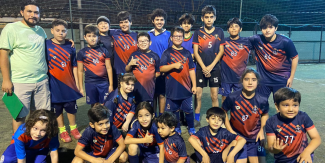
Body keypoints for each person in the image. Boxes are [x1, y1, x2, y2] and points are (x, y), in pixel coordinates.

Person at [0, 0, 50, 133]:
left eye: (36, 12)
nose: (33, 15)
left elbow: (50, 46)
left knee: (40, 115)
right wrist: (6, 80)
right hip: (20, 81)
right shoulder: (11, 28)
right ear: (22, 12)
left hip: (42, 81)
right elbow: (4, 54)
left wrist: (67, 42)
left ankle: (35, 143)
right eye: (29, 11)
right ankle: (17, 146)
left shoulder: (40, 31)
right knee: (19, 116)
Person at [46, 19, 83, 143]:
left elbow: (74, 66)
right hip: (54, 84)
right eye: (57, 30)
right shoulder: (46, 44)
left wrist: (77, 83)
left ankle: (73, 128)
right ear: (52, 31)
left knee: (71, 107)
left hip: (69, 84)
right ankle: (62, 130)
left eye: (63, 31)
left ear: (67, 32)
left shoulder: (70, 46)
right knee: (58, 108)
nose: (60, 33)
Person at [223, 68, 269, 163]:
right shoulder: (233, 97)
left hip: (254, 137)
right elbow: (223, 112)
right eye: (246, 79)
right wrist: (230, 131)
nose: (250, 82)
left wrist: (261, 131)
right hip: (238, 136)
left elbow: (265, 114)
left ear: (257, 82)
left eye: (253, 80)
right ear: (242, 81)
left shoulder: (262, 100)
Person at [249, 14, 299, 99]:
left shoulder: (285, 41)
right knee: (260, 105)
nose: (267, 30)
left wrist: (291, 77)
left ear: (276, 28)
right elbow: (240, 43)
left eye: (270, 27)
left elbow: (295, 57)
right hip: (263, 79)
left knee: (281, 106)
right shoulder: (256, 40)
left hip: (281, 79)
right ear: (261, 29)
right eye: (264, 28)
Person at [265, 87, 321, 163]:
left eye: (295, 105)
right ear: (277, 106)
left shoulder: (303, 117)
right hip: (283, 159)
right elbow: (270, 146)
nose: (291, 109)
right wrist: (275, 149)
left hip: (302, 155)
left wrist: (307, 152)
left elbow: (316, 139)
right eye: (286, 105)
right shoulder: (271, 122)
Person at [160, 27, 196, 135]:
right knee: (174, 111)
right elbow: (161, 68)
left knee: (189, 110)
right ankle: (177, 128)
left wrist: (194, 85)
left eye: (180, 36)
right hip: (172, 89)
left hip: (186, 88)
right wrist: (174, 65)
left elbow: (191, 70)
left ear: (183, 38)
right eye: (175, 36)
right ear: (171, 38)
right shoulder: (167, 53)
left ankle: (191, 128)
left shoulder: (187, 53)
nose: (178, 38)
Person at [193, 5, 225, 126]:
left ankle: (216, 117)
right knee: (198, 95)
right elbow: (195, 52)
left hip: (215, 68)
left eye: (211, 17)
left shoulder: (219, 31)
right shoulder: (198, 32)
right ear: (202, 18)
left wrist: (211, 66)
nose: (209, 19)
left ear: (215, 18)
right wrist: (204, 67)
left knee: (214, 96)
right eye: (206, 17)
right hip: (201, 69)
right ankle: (196, 118)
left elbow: (221, 51)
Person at [77, 24, 113, 107]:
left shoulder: (104, 51)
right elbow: (80, 70)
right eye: (89, 36)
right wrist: (81, 88)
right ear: (85, 37)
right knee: (94, 106)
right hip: (90, 83)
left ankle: (105, 120)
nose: (92, 38)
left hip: (103, 83)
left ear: (98, 38)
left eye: (94, 36)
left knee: (105, 104)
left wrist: (110, 85)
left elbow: (108, 68)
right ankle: (94, 120)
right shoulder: (82, 52)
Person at [221, 18, 253, 103]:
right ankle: (224, 116)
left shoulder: (247, 42)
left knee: (240, 100)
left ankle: (237, 116)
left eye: (236, 26)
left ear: (240, 29)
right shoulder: (223, 42)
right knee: (225, 100)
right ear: (228, 30)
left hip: (240, 78)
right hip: (225, 78)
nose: (234, 28)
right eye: (231, 27)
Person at [126, 32, 160, 104]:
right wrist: (130, 64)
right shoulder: (134, 55)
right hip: (136, 87)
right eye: (140, 41)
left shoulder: (155, 56)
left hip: (149, 88)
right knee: (136, 108)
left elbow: (158, 72)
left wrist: (149, 78)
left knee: (148, 108)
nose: (143, 43)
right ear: (137, 44)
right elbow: (127, 70)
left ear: (150, 42)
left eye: (145, 41)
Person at [148, 9, 171, 116]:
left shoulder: (169, 35)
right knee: (152, 95)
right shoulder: (148, 34)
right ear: (153, 21)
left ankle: (161, 116)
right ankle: (153, 116)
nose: (159, 22)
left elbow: (171, 52)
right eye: (157, 20)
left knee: (161, 95)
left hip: (163, 70)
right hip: (150, 70)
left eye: (161, 20)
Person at [110, 11, 138, 88]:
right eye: (121, 22)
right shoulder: (114, 33)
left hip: (133, 71)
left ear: (131, 22)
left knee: (132, 96)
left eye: (126, 22)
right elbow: (99, 30)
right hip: (118, 72)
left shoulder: (136, 36)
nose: (123, 24)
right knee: (120, 96)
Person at [178, 13, 196, 126]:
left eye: (188, 24)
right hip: (178, 70)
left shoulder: (194, 37)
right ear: (181, 24)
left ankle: (189, 117)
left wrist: (186, 59)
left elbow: (195, 54)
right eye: (184, 24)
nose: (186, 26)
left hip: (190, 69)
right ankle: (180, 117)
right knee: (178, 93)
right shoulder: (177, 37)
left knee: (189, 94)